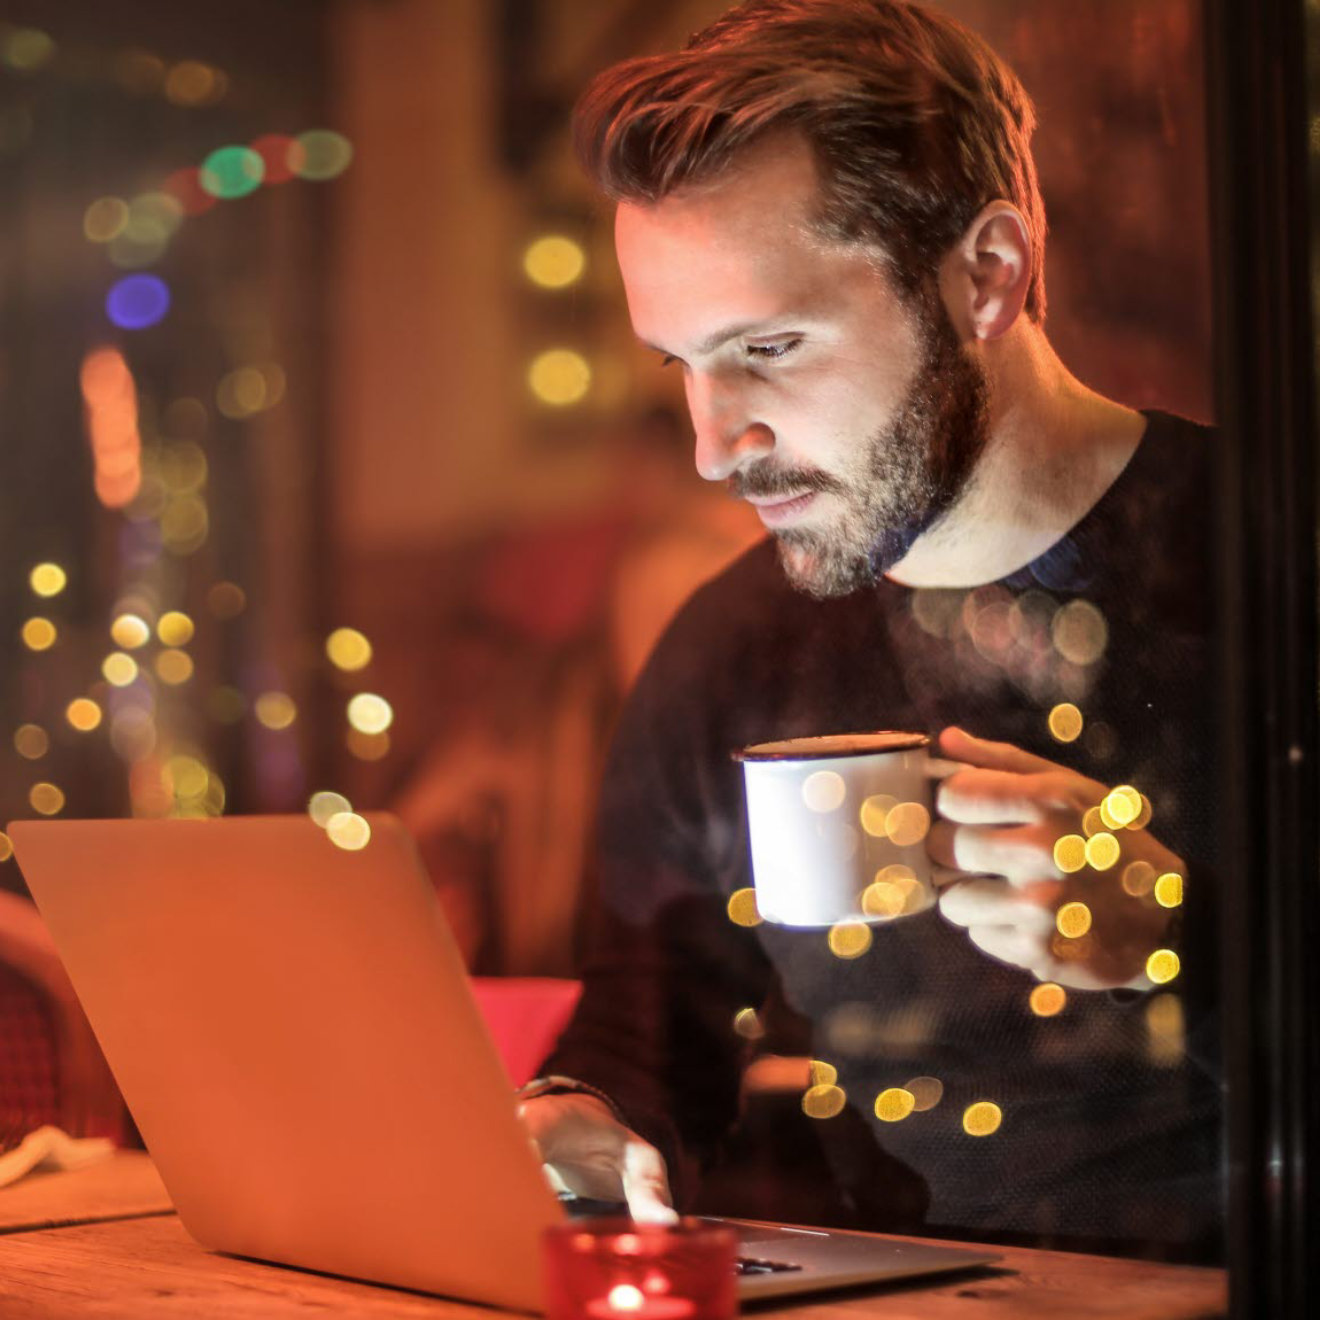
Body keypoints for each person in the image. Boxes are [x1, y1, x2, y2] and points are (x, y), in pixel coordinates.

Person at [518, 0, 1221, 1259]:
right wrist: (578, 1121)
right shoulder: (729, 648)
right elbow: (648, 1025)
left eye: (769, 347)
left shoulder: (1268, 565)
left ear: (987, 277)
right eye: (680, 364)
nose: (712, 444)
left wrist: (1194, 947)